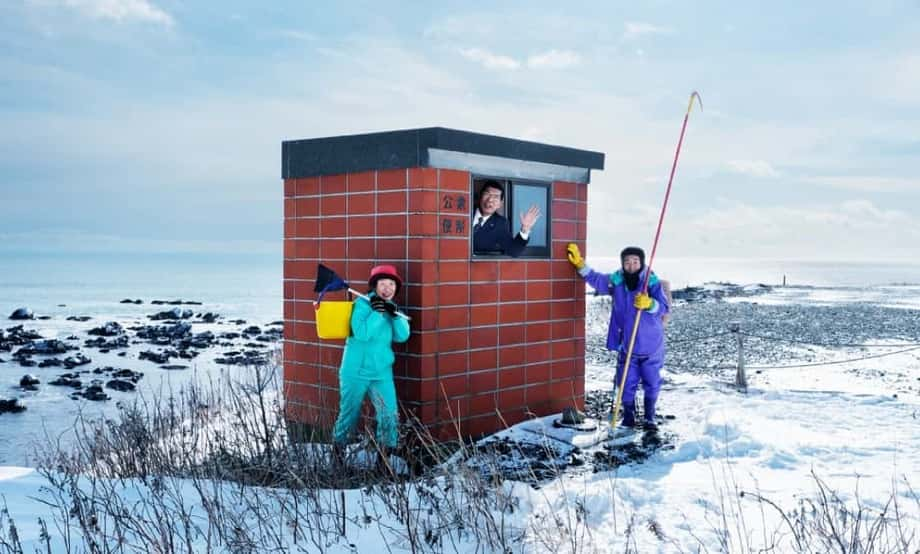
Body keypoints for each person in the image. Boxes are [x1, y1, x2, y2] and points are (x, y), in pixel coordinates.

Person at [566, 243, 669, 430]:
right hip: (627, 345)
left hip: (651, 346)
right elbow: (596, 280)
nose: (631, 266)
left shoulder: (651, 282)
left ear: (642, 263)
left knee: (652, 382)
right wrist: (580, 264)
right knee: (625, 383)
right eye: (627, 262)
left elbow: (664, 307)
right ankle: (628, 416)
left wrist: (649, 303)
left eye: (635, 262)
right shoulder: (617, 281)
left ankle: (649, 417)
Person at [332, 264, 411, 466]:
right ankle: (337, 457)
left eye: (391, 284)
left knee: (389, 416)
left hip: (381, 373)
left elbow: (403, 336)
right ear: (374, 286)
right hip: (355, 371)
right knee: (349, 414)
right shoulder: (362, 305)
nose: (387, 288)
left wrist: (394, 316)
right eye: (382, 283)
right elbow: (362, 333)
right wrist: (377, 313)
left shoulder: (392, 308)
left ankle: (383, 463)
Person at [472, 179, 541, 257]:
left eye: (496, 197)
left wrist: (525, 229)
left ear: (500, 204)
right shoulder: (466, 212)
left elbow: (513, 251)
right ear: (480, 196)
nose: (490, 200)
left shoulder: (500, 223)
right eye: (487, 194)